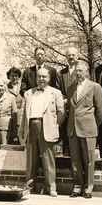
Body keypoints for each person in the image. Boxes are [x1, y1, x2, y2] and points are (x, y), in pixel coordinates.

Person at [19, 68, 65, 197]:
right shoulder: (28, 93)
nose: (41, 79)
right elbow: (23, 114)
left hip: (47, 128)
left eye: (44, 77)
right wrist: (22, 131)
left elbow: (61, 112)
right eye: (39, 77)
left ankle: (51, 188)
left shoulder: (55, 93)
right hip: (31, 127)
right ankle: (29, 187)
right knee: (31, 159)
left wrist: (54, 124)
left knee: (48, 159)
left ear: (49, 78)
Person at [67, 61, 102, 198]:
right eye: (76, 71)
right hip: (72, 129)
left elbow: (100, 111)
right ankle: (77, 186)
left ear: (87, 71)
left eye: (81, 71)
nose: (78, 73)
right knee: (75, 160)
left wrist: (93, 125)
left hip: (88, 128)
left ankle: (88, 188)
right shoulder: (71, 88)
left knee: (89, 160)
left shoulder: (95, 87)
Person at [57, 47, 80, 156]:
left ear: (77, 56)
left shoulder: (83, 71)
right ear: (66, 57)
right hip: (65, 109)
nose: (71, 57)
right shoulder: (60, 74)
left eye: (73, 55)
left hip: (78, 109)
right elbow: (57, 90)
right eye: (69, 55)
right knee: (66, 136)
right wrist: (63, 100)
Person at [0, 77, 18, 148]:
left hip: (7, 129)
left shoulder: (11, 97)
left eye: (2, 86)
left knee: (5, 148)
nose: (0, 88)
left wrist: (15, 133)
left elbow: (15, 116)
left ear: (5, 86)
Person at [6, 67, 23, 141]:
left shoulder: (23, 86)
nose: (14, 77)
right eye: (12, 75)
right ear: (9, 76)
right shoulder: (5, 87)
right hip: (10, 116)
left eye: (16, 75)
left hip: (21, 115)